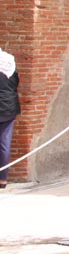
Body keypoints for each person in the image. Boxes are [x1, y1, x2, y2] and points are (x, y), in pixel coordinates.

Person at [0, 47, 19, 190]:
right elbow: (15, 83)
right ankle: (2, 179)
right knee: (4, 144)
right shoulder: (9, 61)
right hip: (9, 107)